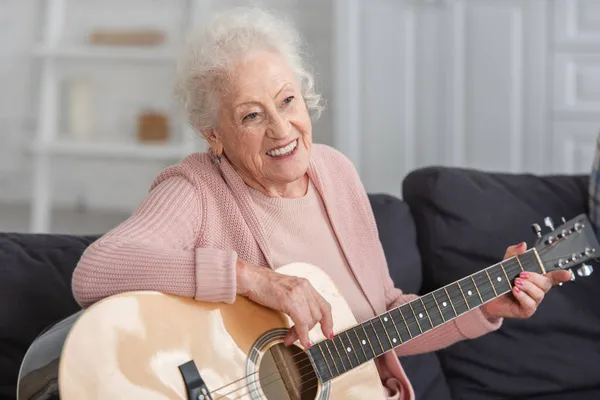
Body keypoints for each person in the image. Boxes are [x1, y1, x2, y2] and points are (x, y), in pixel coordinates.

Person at [71, 7, 571, 400]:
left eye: (287, 101)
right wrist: (254, 278)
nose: (281, 129)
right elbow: (97, 270)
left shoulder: (335, 172)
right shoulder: (198, 189)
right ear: (214, 135)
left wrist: (484, 306)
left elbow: (379, 319)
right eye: (251, 116)